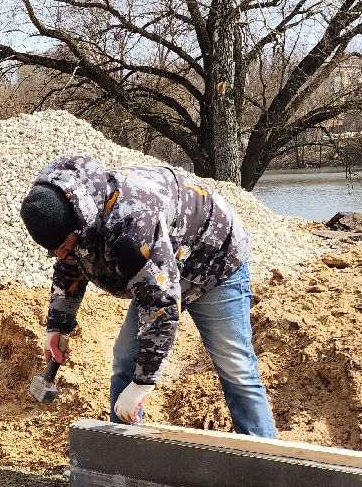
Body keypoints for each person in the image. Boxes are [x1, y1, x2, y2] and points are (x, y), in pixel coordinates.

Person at [19, 154, 277, 436]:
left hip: (213, 259)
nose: (59, 254)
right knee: (126, 358)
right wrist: (58, 326)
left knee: (236, 369)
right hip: (163, 262)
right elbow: (70, 264)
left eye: (64, 244)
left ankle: (265, 458)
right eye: (54, 248)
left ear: (79, 223)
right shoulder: (75, 216)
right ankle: (125, 451)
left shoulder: (132, 222)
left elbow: (160, 304)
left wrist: (143, 384)